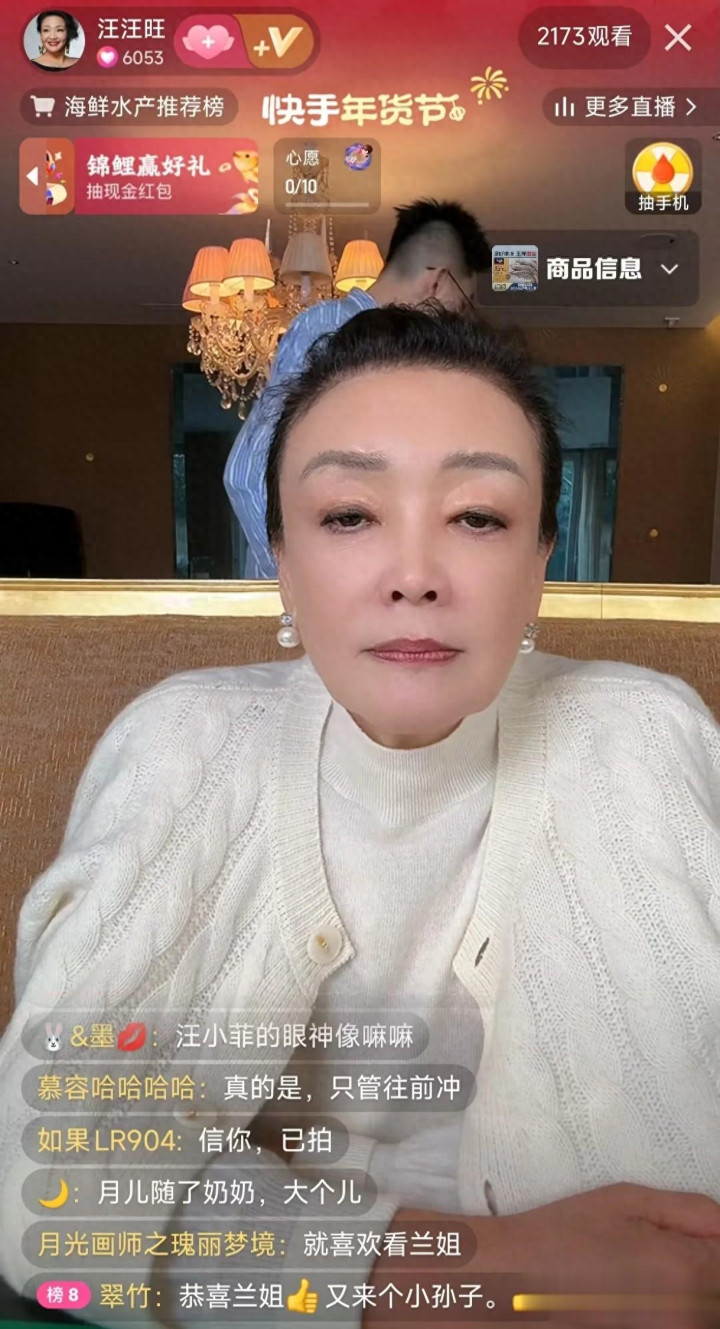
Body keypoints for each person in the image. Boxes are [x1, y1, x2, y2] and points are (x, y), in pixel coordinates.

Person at [2, 308, 720, 1329]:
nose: (414, 575)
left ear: (540, 563)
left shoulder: (643, 737)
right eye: (348, 515)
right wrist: (470, 1276)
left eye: (478, 517)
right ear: (281, 560)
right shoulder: (185, 743)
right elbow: (45, 1166)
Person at [224, 197, 492, 579]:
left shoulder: (401, 359)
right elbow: (246, 473)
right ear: (437, 281)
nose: (459, 321)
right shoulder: (329, 327)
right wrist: (293, 584)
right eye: (462, 304)